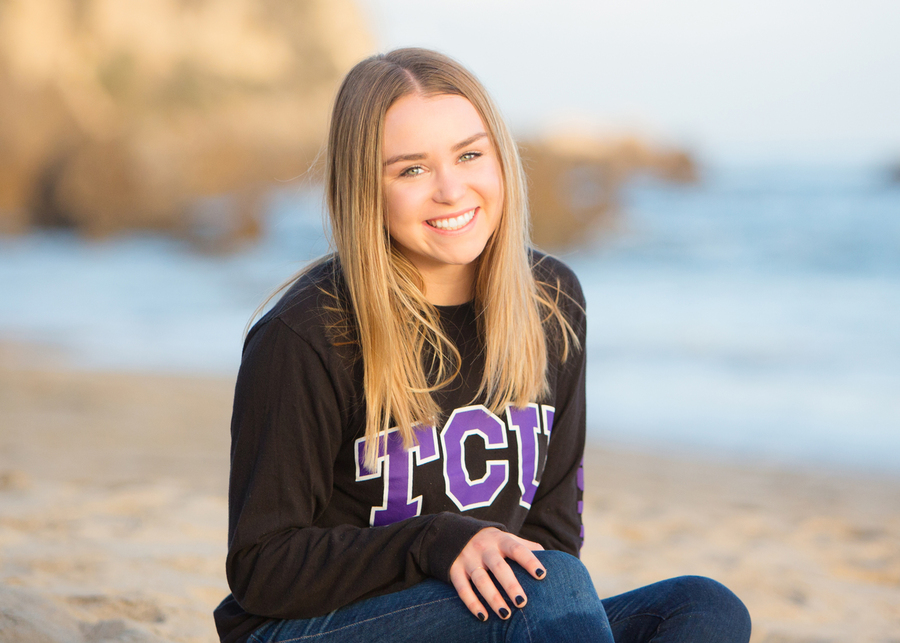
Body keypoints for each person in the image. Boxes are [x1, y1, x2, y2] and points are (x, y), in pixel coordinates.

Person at [213, 48, 752, 643]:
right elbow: (261, 567)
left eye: (470, 154)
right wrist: (434, 542)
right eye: (411, 170)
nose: (451, 189)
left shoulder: (551, 302)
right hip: (314, 629)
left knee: (703, 609)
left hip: (488, 622)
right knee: (550, 593)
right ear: (366, 187)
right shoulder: (309, 332)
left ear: (501, 159)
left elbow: (551, 538)